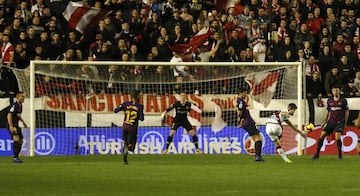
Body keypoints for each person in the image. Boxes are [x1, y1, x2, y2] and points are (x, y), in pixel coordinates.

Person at [312, 85, 349, 160]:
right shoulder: (330, 100)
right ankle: (317, 154)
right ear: (332, 92)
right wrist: (324, 121)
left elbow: (346, 111)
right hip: (330, 122)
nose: (335, 92)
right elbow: (328, 112)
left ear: (339, 91)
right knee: (322, 136)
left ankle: (339, 155)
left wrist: (345, 122)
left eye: (337, 90)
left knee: (337, 136)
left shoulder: (343, 100)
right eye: (334, 90)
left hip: (339, 122)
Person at [114, 90, 144, 164]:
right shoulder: (140, 106)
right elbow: (142, 118)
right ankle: (130, 146)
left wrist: (123, 108)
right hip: (133, 127)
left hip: (125, 126)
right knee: (131, 143)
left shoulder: (125, 104)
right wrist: (139, 115)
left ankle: (125, 160)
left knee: (125, 143)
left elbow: (115, 110)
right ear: (137, 97)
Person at [237, 87, 264, 161]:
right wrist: (240, 121)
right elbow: (239, 112)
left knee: (259, 137)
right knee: (257, 138)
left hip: (248, 122)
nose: (246, 94)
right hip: (248, 122)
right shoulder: (241, 101)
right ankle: (257, 156)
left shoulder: (240, 101)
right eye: (245, 93)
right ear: (241, 93)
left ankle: (258, 156)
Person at [7, 91, 27, 163]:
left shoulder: (20, 105)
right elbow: (9, 115)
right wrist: (11, 126)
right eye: (22, 97)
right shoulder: (14, 105)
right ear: (18, 97)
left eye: (24, 97)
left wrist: (23, 122)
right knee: (16, 138)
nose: (23, 98)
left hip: (16, 125)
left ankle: (16, 156)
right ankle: (15, 158)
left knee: (21, 141)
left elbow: (18, 115)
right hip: (12, 125)